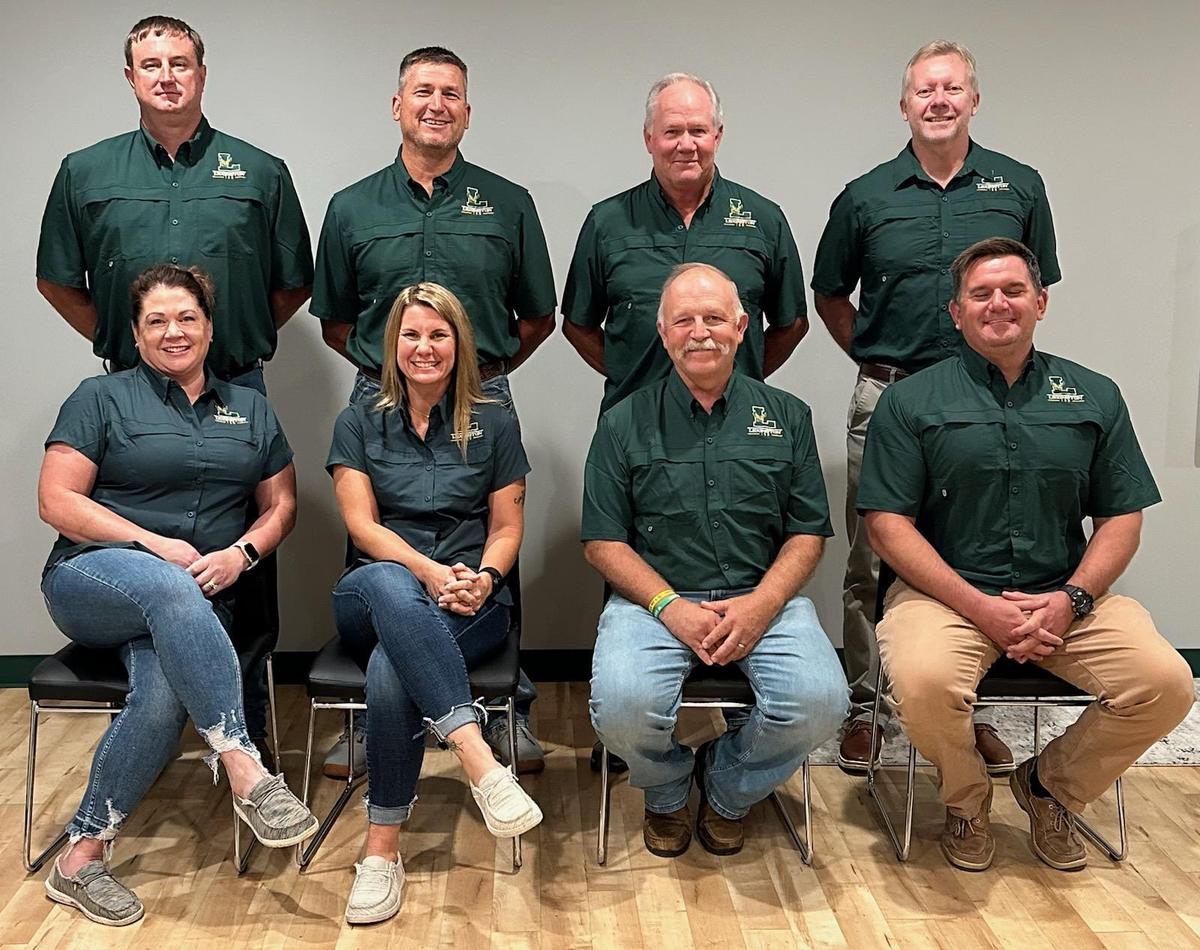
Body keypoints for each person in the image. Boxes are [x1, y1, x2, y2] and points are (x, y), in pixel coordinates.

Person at [858, 237, 1194, 872]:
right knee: (924, 682)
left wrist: (1072, 599)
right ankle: (966, 802)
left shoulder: (1095, 395)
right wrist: (980, 608)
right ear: (956, 311)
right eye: (980, 293)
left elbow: (1122, 517)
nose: (998, 304)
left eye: (1013, 291)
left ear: (1040, 302)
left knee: (1166, 685)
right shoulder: (909, 402)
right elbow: (887, 526)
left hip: (1064, 597)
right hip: (946, 597)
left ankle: (1049, 787)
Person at [36, 14, 315, 770]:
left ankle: (246, 726)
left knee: (243, 560)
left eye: (180, 62)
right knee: (141, 547)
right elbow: (57, 278)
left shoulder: (259, 172)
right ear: (130, 77)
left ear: (202, 73)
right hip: (132, 393)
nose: (167, 76)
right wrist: (127, 344)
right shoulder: (86, 172)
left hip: (237, 382)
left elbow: (292, 283)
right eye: (151, 64)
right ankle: (158, 718)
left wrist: (226, 343)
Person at [37, 264, 316, 926]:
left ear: (210, 328)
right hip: (92, 579)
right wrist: (152, 544)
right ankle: (244, 766)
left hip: (192, 604)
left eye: (187, 317)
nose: (173, 332)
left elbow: (281, 506)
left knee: (162, 695)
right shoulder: (100, 398)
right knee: (167, 583)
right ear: (135, 335)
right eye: (156, 321)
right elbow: (56, 500)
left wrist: (242, 554)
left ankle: (79, 859)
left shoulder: (250, 408)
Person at [810, 40, 1061, 773]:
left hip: (989, 402)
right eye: (925, 90)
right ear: (905, 106)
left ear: (973, 100)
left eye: (952, 88)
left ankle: (965, 707)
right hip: (890, 395)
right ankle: (867, 706)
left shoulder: (1020, 187)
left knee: (975, 556)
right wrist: (876, 360)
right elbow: (829, 295)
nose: (939, 101)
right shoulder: (866, 196)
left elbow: (1033, 289)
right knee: (872, 555)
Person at [313, 46, 555, 775]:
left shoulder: (508, 203)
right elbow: (335, 319)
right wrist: (397, 368)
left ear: (467, 112)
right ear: (397, 106)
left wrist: (474, 378)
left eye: (451, 93)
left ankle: (505, 707)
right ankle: (370, 716)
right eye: (422, 91)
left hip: (483, 394)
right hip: (378, 393)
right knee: (375, 551)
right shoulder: (352, 207)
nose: (436, 105)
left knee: (491, 550)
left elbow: (538, 315)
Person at [584, 263, 846, 858]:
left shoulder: (788, 416)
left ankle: (727, 787)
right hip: (654, 604)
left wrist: (763, 604)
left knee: (821, 702)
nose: (699, 332)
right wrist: (670, 607)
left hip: (763, 598)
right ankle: (667, 790)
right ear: (663, 333)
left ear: (741, 327)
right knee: (621, 709)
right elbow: (602, 541)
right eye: (683, 321)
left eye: (713, 318)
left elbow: (807, 532)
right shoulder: (622, 422)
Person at [327, 282, 542, 925]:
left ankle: (380, 853)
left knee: (392, 668)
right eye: (412, 335)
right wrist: (426, 572)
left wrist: (485, 578)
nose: (424, 347)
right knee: (391, 586)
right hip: (371, 592)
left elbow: (507, 526)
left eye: (438, 335)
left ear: (459, 344)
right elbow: (362, 528)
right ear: (391, 344)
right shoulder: (357, 421)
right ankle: (479, 759)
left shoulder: (495, 422)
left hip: (469, 600)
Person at [562, 72, 808, 417]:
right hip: (637, 422)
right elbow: (577, 324)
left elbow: (792, 323)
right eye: (672, 132)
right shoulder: (607, 223)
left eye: (698, 131)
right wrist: (629, 373)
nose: (686, 145)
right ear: (649, 138)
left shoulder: (764, 220)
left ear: (717, 136)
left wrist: (731, 375)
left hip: (734, 421)